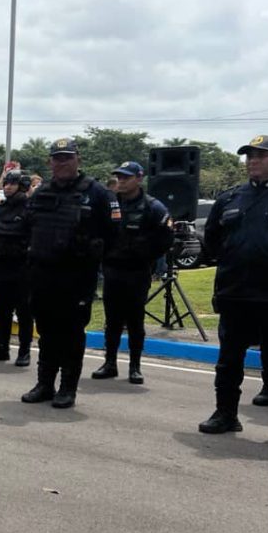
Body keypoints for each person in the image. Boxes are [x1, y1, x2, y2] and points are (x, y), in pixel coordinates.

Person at [21, 138, 117, 409]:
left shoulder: (98, 193)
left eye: (67, 157)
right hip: (43, 274)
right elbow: (27, 226)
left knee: (72, 333)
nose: (62, 162)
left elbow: (114, 235)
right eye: (57, 158)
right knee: (46, 331)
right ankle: (44, 384)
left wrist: (92, 255)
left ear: (78, 159)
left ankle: (67, 388)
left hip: (76, 276)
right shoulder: (41, 192)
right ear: (50, 162)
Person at [197, 135, 268, 448]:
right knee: (229, 361)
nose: (253, 161)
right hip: (236, 293)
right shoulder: (230, 198)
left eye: (261, 155)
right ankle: (226, 414)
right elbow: (213, 241)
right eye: (249, 156)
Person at [91, 162, 172, 384]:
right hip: (112, 269)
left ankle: (135, 367)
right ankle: (110, 363)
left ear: (139, 178)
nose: (122, 181)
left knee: (135, 321)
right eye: (119, 177)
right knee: (112, 320)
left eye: (126, 177)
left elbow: (166, 238)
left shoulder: (152, 207)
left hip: (137, 272)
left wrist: (146, 254)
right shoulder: (110, 204)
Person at [0, 169, 34, 365]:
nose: (8, 187)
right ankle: (2, 348)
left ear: (23, 186)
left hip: (22, 267)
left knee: (24, 312)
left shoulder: (30, 210)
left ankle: (24, 351)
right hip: (0, 265)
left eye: (13, 183)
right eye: (6, 183)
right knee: (2, 310)